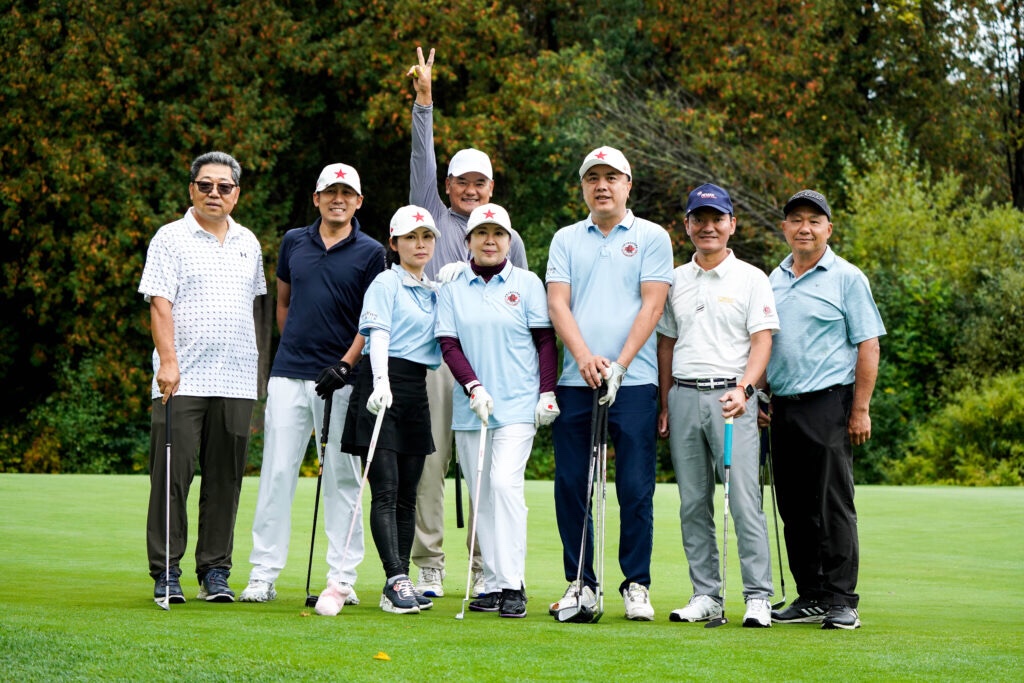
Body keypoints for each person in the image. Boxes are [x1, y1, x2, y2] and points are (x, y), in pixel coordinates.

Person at [405, 46, 529, 599]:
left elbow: (520, 307)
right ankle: (430, 563)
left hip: (490, 363)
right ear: (449, 185)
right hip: (436, 357)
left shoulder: (507, 238)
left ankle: (485, 568)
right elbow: (422, 162)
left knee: (484, 467)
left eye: (480, 182)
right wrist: (424, 102)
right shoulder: (430, 216)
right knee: (431, 463)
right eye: (462, 181)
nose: (471, 189)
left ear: (491, 188)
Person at [237, 164, 386, 612]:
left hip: (341, 380)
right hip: (289, 374)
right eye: (330, 192)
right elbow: (284, 302)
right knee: (277, 473)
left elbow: (372, 319)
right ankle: (263, 574)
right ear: (316, 198)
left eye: (347, 193)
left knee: (342, 477)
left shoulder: (372, 252)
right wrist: (298, 348)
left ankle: (342, 578)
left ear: (358, 202)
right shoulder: (293, 242)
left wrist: (344, 364)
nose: (338, 199)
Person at [546, 146, 673, 621]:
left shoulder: (652, 236)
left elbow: (653, 305)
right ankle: (580, 582)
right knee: (570, 484)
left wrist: (619, 364)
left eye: (611, 177)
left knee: (635, 487)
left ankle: (636, 583)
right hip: (576, 380)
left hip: (633, 381)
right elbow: (558, 303)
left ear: (627, 184)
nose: (602, 185)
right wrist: (584, 357)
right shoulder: (565, 239)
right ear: (583, 186)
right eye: (592, 178)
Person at [140, 151, 267, 603]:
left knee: (225, 480)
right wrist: (167, 361)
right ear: (192, 188)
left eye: (224, 186)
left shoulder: (249, 242)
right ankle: (166, 571)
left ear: (236, 193)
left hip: (235, 380)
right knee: (172, 477)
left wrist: (257, 373)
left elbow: (253, 309)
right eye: (206, 185)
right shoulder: (169, 237)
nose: (215, 193)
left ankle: (215, 571)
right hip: (183, 379)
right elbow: (160, 303)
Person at [656, 183, 779, 628]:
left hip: (732, 398)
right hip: (683, 396)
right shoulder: (674, 279)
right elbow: (666, 344)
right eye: (699, 219)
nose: (708, 227)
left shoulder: (752, 278)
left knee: (743, 501)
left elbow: (762, 341)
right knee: (693, 502)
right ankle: (706, 594)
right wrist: (665, 402)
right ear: (687, 225)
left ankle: (758, 596)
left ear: (732, 224)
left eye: (716, 219)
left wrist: (746, 390)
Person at [765, 190, 885, 630]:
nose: (805, 228)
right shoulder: (772, 279)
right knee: (794, 507)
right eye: (796, 220)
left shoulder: (847, 277)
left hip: (829, 403)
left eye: (814, 221)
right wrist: (761, 395)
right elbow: (764, 343)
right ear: (784, 228)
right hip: (782, 407)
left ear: (828, 229)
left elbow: (868, 344)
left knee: (833, 503)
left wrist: (861, 409)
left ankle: (841, 600)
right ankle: (811, 595)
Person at [435, 203, 559, 618]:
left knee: (505, 487)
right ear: (468, 240)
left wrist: (547, 391)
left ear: (509, 240)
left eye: (498, 234)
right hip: (472, 409)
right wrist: (473, 386)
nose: (490, 241)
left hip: (518, 404)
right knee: (482, 496)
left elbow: (544, 340)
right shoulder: (453, 287)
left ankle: (512, 584)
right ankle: (491, 583)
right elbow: (448, 343)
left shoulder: (526, 283)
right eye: (482, 233)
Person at [340, 205, 442, 615]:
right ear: (394, 243)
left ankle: (396, 582)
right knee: (385, 490)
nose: (420, 244)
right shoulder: (386, 282)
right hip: (381, 386)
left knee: (407, 495)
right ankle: (396, 577)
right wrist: (380, 382)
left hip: (416, 389)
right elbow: (377, 335)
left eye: (426, 237)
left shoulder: (433, 290)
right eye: (411, 237)